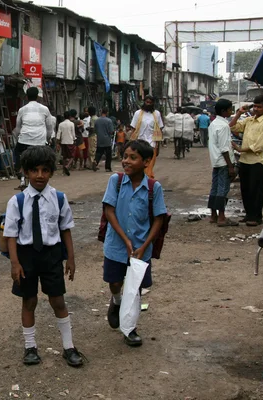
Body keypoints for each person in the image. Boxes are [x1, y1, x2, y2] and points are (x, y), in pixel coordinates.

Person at [3, 145, 83, 367]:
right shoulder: (17, 201)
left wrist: (71, 258)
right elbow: (10, 235)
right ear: (26, 172)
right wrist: (15, 263)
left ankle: (69, 347)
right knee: (29, 301)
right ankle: (30, 348)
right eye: (35, 170)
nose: (40, 175)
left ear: (51, 172)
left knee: (58, 300)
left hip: (51, 255)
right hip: (26, 257)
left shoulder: (58, 198)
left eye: (45, 170)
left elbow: (65, 228)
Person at [102, 140, 167, 346]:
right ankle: (117, 301)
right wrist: (125, 240)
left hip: (141, 248)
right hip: (116, 245)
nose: (126, 161)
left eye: (132, 157)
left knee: (134, 288)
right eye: (125, 157)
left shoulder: (153, 188)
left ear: (146, 161)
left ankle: (130, 328)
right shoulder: (117, 181)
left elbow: (159, 218)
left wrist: (145, 244)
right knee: (115, 282)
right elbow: (109, 211)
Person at [229, 94, 263, 227]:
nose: (256, 109)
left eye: (259, 107)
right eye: (254, 106)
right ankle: (249, 214)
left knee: (256, 190)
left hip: (256, 161)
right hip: (245, 161)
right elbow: (232, 127)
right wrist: (238, 113)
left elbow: (259, 146)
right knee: (245, 189)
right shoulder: (249, 120)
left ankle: (256, 217)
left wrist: (240, 149)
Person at [13, 87, 54, 189]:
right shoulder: (45, 109)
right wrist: (48, 139)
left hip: (24, 140)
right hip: (40, 141)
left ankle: (21, 177)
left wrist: (18, 138)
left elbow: (18, 128)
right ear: (38, 97)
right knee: (44, 159)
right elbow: (50, 128)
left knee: (18, 154)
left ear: (26, 97)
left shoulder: (22, 110)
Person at [208, 99, 238, 227]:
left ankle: (213, 215)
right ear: (224, 111)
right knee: (223, 189)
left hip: (215, 161)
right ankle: (221, 217)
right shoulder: (224, 126)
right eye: (230, 109)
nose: (231, 111)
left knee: (214, 188)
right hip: (224, 161)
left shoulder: (214, 123)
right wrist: (231, 166)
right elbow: (225, 148)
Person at [130, 95, 164, 179]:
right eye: (147, 102)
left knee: (149, 165)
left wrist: (158, 146)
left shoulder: (157, 114)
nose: (148, 104)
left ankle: (148, 181)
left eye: (150, 102)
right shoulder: (138, 113)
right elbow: (133, 129)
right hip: (140, 144)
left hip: (152, 144)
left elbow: (159, 130)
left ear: (153, 103)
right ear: (144, 102)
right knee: (140, 165)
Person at [93, 108, 115, 172]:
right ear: (107, 113)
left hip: (99, 138)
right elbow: (111, 131)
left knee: (98, 152)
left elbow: (95, 130)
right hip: (107, 140)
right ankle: (107, 168)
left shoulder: (97, 120)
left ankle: (95, 161)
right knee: (108, 154)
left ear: (101, 112)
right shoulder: (109, 121)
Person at [57, 110, 76, 176]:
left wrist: (58, 142)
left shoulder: (61, 124)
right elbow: (73, 134)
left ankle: (63, 170)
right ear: (70, 116)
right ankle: (67, 166)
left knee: (64, 156)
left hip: (63, 141)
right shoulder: (71, 124)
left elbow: (58, 134)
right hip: (70, 141)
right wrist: (74, 139)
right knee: (72, 156)